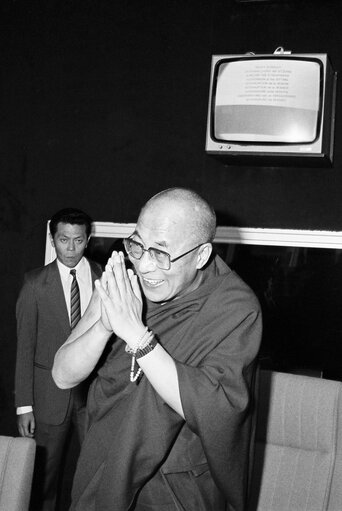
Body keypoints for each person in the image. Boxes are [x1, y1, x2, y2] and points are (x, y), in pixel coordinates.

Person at [52, 188, 262, 511]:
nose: (145, 266)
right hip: (104, 461)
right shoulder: (125, 280)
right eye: (137, 245)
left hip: (175, 485)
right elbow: (62, 374)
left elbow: (215, 407)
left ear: (201, 256)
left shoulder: (235, 307)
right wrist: (106, 325)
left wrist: (137, 336)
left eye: (161, 254)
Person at [15, 208, 102, 511]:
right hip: (49, 400)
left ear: (88, 239)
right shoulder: (35, 285)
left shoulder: (104, 278)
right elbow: (24, 349)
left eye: (78, 240)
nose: (70, 248)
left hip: (93, 399)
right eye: (63, 240)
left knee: (94, 476)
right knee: (44, 481)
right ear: (53, 240)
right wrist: (24, 405)